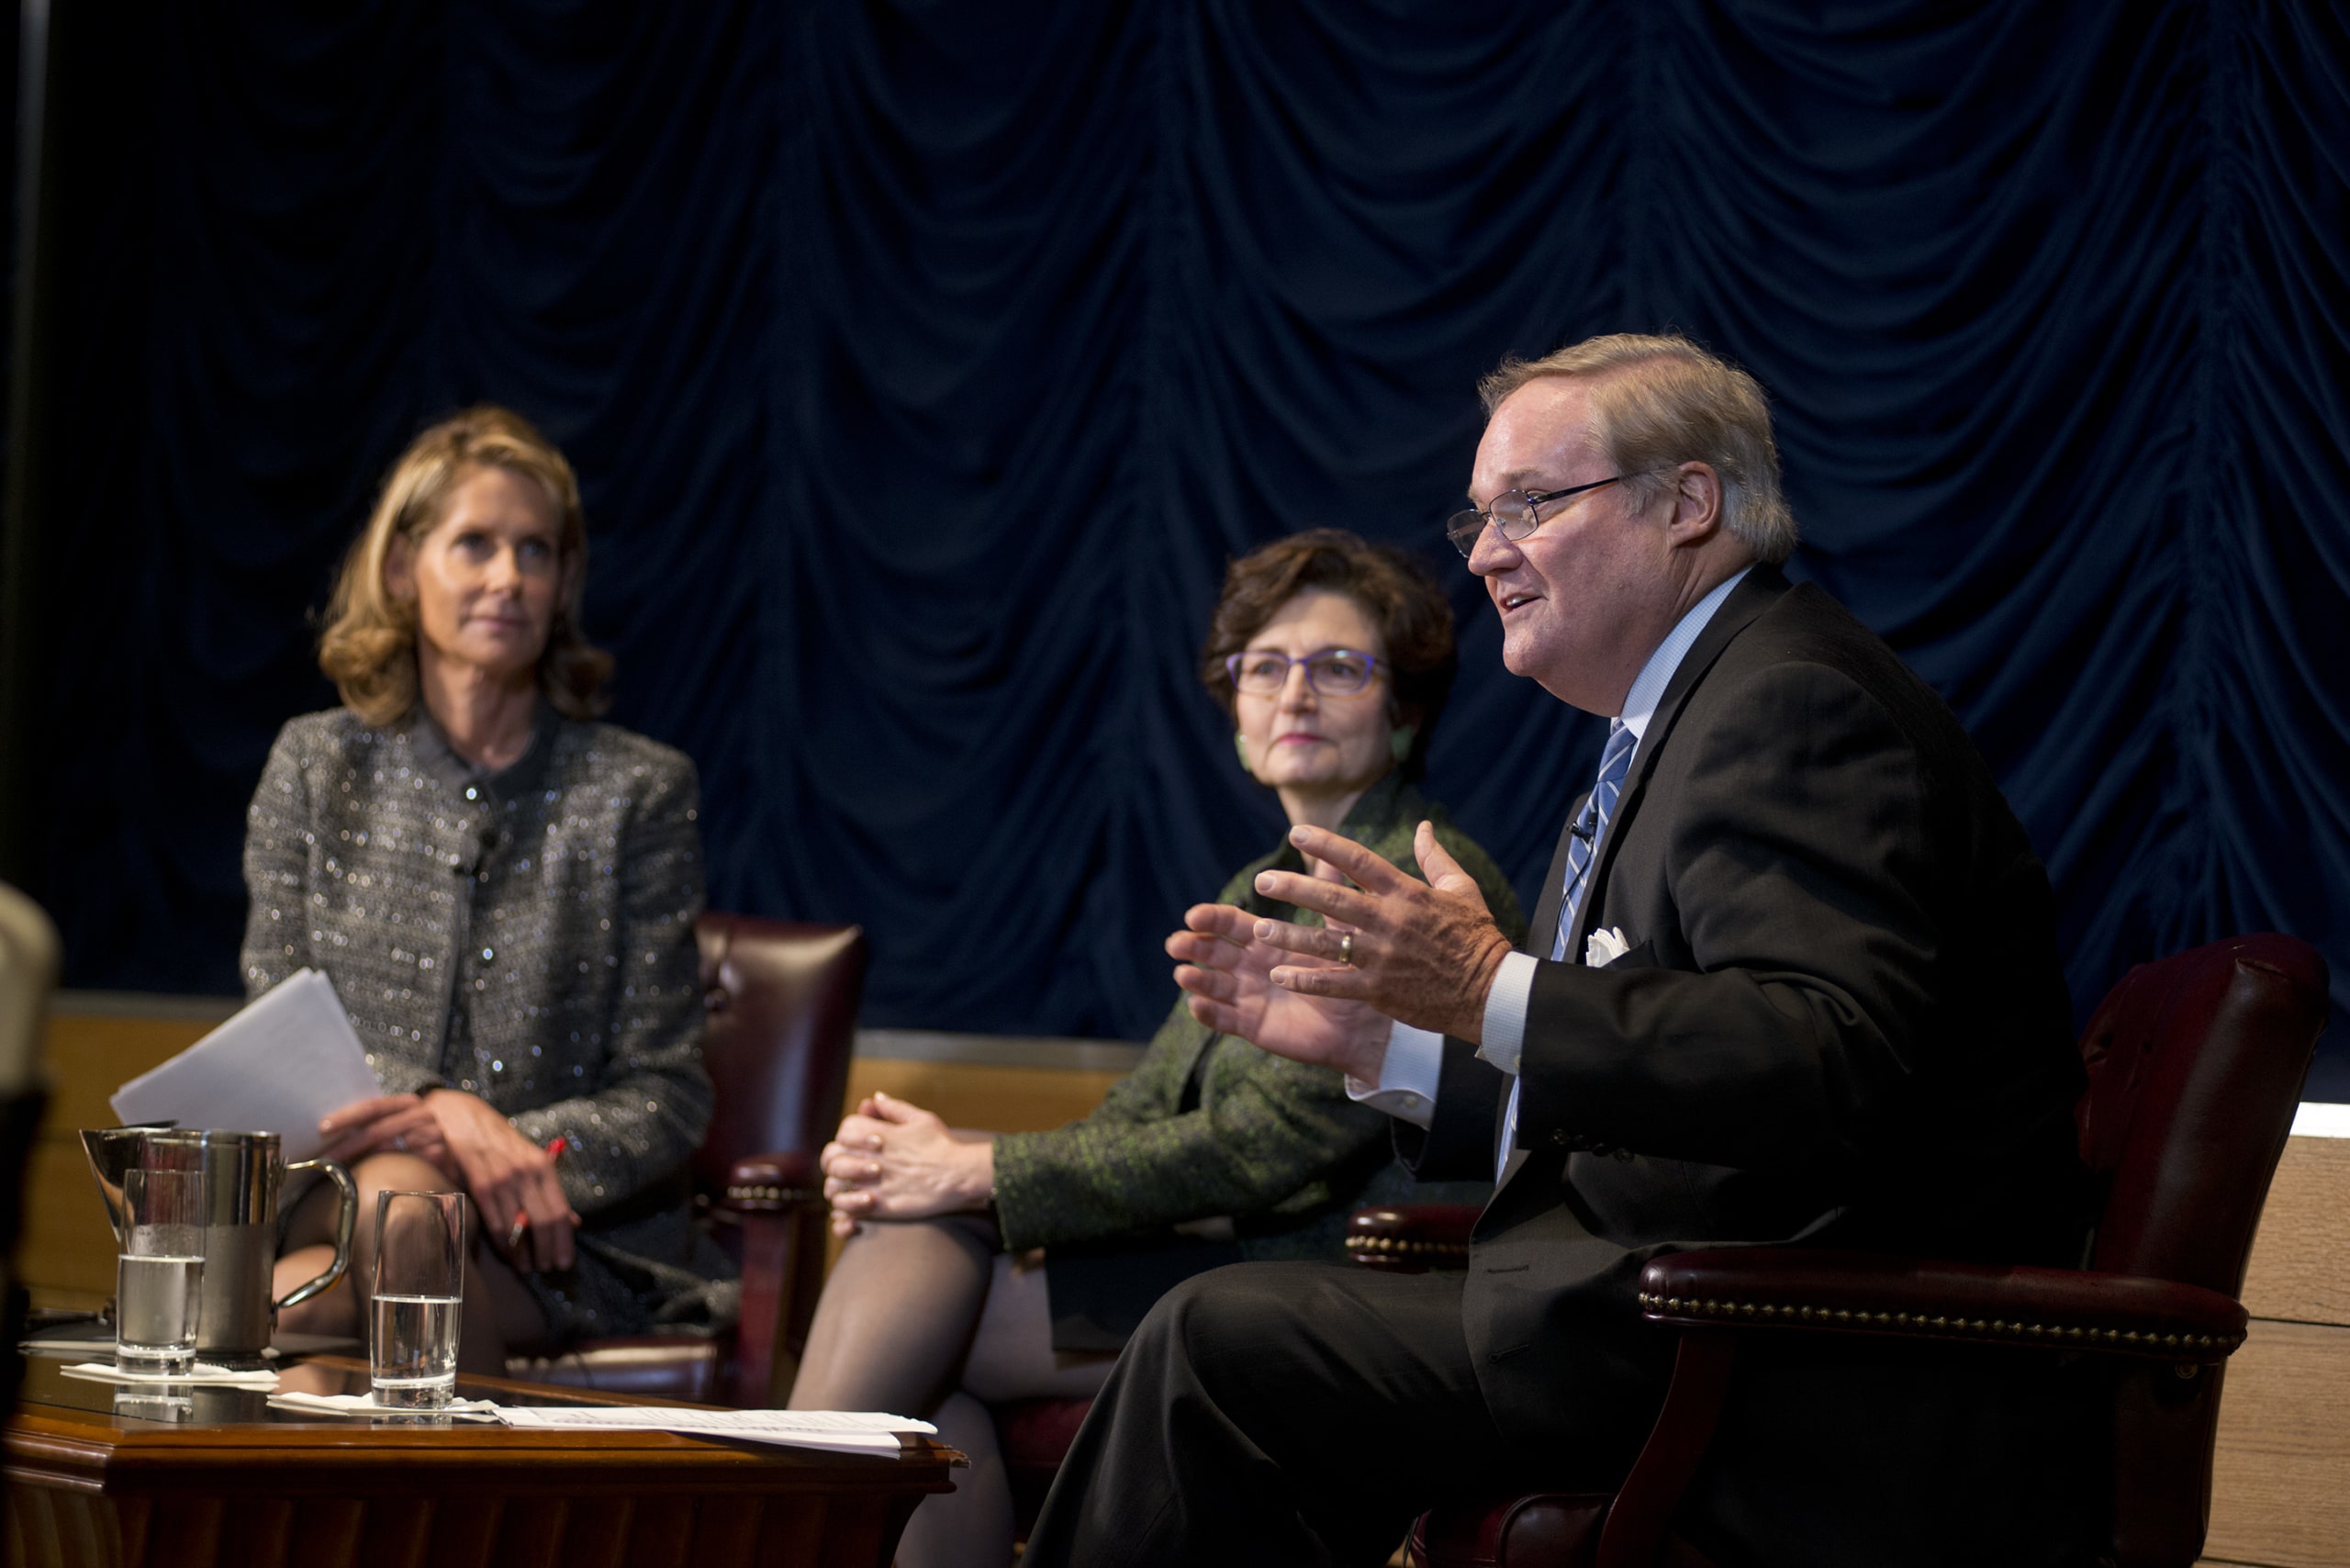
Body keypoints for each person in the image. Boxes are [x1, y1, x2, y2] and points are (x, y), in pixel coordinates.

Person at [1024, 335, 2096, 1566]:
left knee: (1210, 1346)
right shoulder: (1693, 710)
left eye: (1529, 505)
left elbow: (1823, 1055)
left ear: (1688, 504)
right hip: (1665, 1317)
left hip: (1798, 1361)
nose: (1483, 554)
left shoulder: (1792, 703)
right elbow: (1670, 1079)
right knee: (1223, 1348)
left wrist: (1488, 988)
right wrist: (1406, 1050)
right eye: (1479, 516)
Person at [788, 529, 1524, 1568]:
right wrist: (950, 1157)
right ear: (1231, 710)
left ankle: (758, 1520)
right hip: (1210, 1249)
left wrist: (973, 1170)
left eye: (1339, 668)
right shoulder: (1257, 881)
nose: (1293, 695)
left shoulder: (1424, 883)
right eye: (1264, 667)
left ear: (1402, 711)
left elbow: (1268, 1147)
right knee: (926, 1355)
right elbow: (1142, 1116)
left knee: (923, 1254)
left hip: (1323, 1281)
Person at [244, 406, 732, 1374]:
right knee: (386, 1211)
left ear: (562, 584)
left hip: (559, 1237)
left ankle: (453, 1517)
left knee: (278, 1316)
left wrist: (502, 1143)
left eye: (536, 552)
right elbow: (280, 1031)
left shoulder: (635, 790)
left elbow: (667, 1095)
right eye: (475, 545)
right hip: (346, 1199)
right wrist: (439, 1107)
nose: (508, 577)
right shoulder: (315, 764)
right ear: (401, 568)